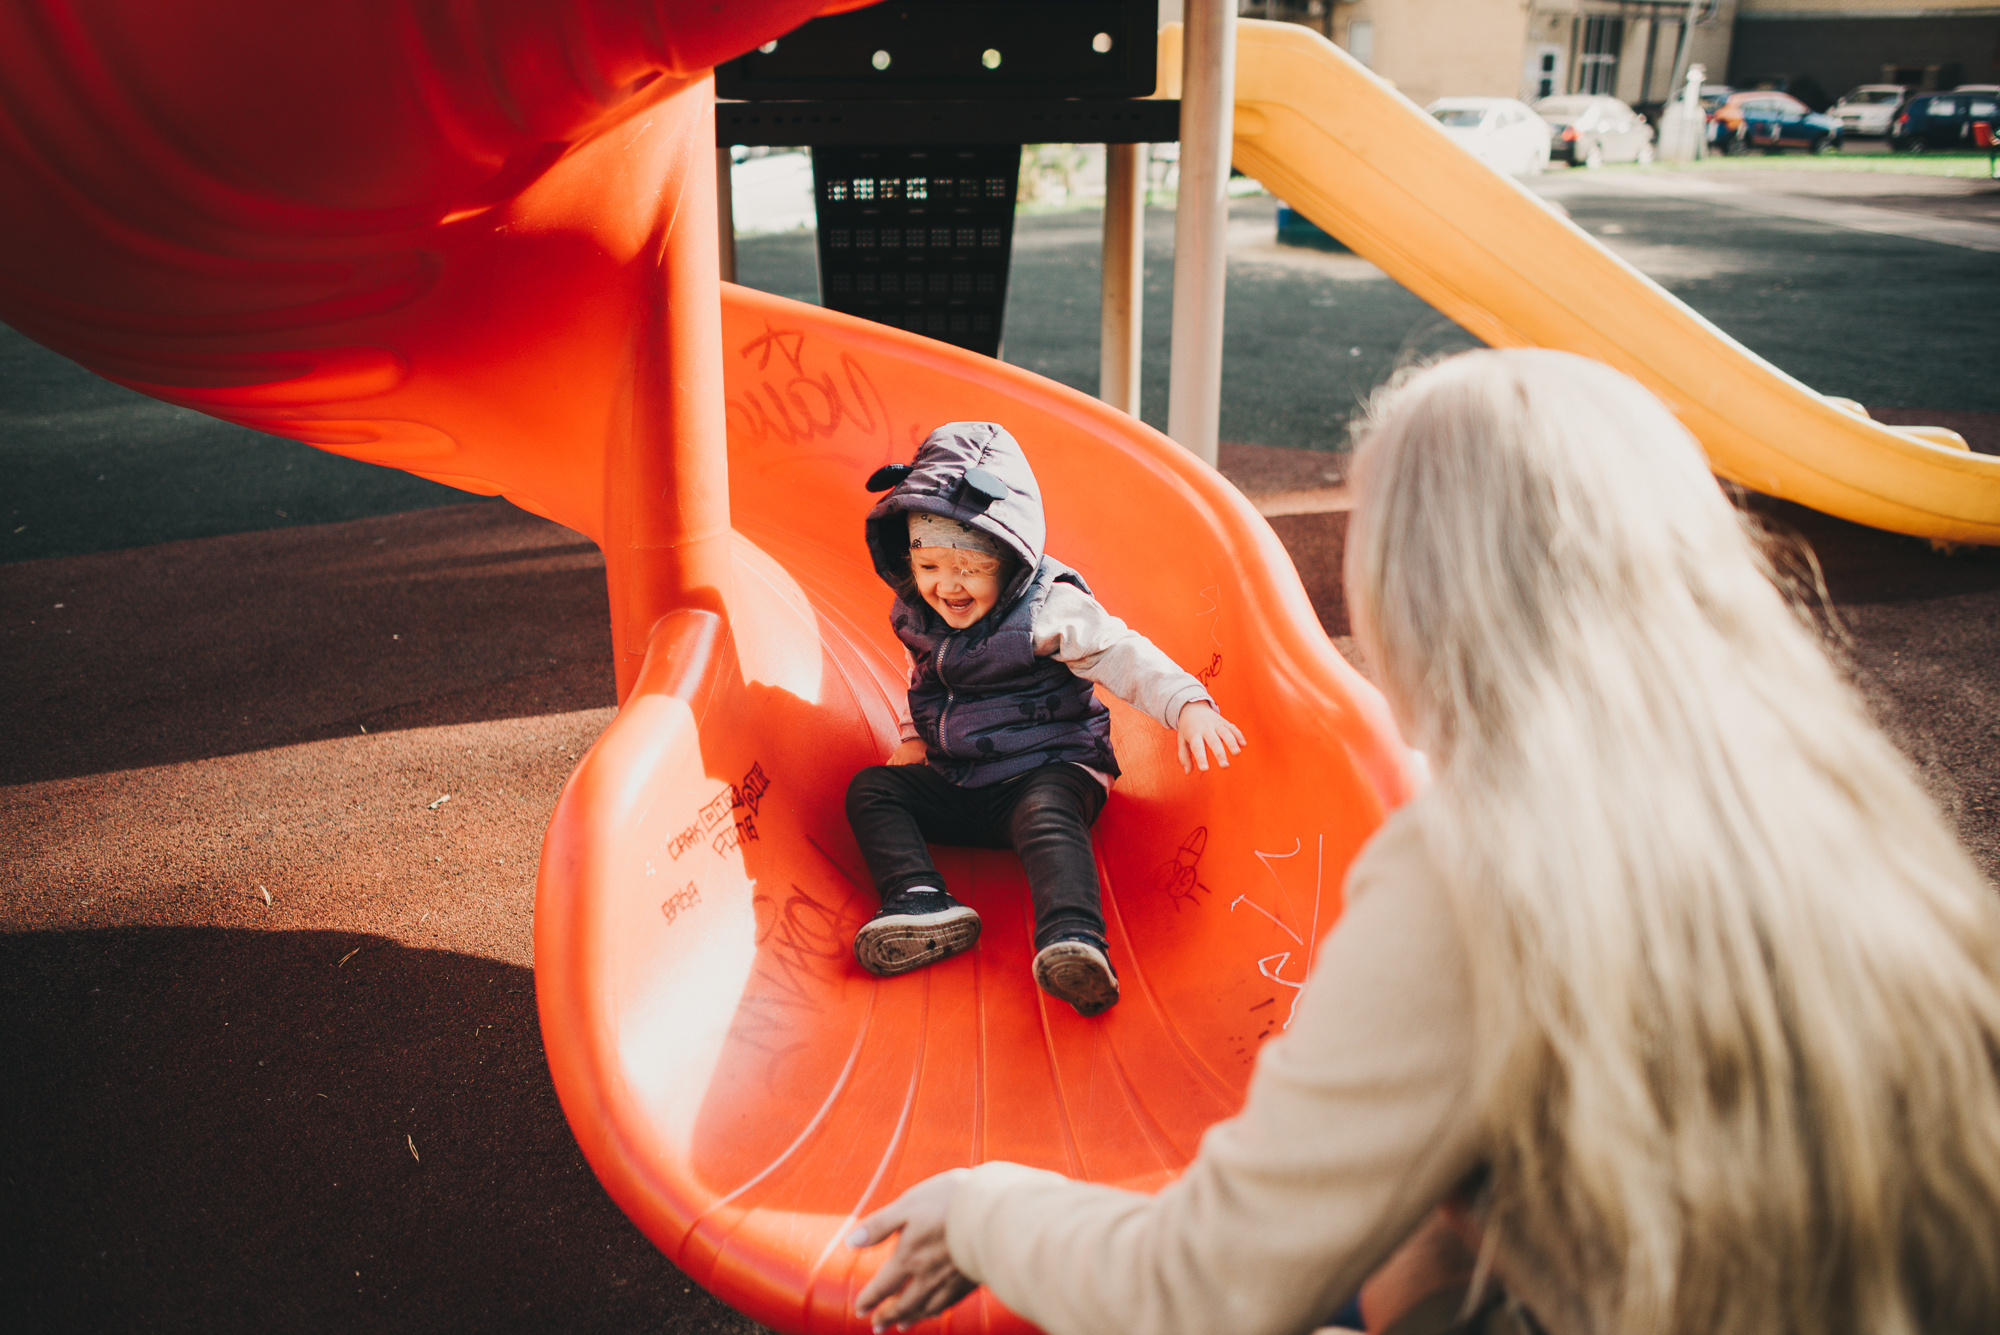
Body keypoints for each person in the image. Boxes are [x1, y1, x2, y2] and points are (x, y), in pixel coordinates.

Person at [843, 352, 2000, 1334]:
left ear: (1412, 590)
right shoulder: (1852, 805)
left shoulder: (1476, 861)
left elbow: (1204, 1285)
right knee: (1420, 1252)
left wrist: (982, 1207)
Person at [845, 421, 1245, 1017]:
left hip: (1049, 766)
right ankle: (920, 900)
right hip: (963, 778)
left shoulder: (1048, 606)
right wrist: (911, 740)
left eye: (969, 566)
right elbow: (922, 679)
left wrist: (1186, 704)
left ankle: (1073, 941)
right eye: (929, 566)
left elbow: (1120, 653)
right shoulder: (917, 612)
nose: (946, 586)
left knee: (1047, 817)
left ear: (1010, 556)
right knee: (871, 789)